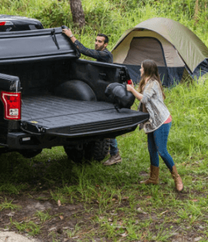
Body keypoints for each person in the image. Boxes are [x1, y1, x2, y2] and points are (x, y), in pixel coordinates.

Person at [62, 27, 121, 165]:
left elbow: (85, 51)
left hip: (108, 93)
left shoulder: (105, 55)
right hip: (103, 90)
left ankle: (115, 154)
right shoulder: (102, 54)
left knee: (108, 124)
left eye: (100, 42)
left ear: (105, 44)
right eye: (96, 40)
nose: (96, 43)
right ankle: (109, 151)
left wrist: (71, 36)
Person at [126, 59, 183, 192]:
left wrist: (132, 90)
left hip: (161, 121)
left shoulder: (153, 83)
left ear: (146, 70)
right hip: (151, 122)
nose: (139, 70)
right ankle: (153, 178)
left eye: (141, 68)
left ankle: (177, 178)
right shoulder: (145, 82)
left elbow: (144, 99)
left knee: (162, 151)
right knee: (152, 150)